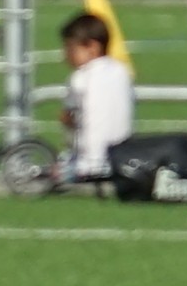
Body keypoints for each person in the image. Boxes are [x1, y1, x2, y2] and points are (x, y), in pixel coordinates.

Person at [58, 11, 135, 182]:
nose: (65, 54)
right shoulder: (122, 71)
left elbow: (68, 116)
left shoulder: (80, 77)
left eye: (70, 48)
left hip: (88, 164)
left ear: (92, 48)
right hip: (121, 160)